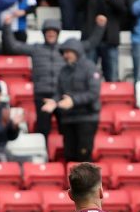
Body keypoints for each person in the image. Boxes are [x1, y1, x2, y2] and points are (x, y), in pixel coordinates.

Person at [42, 17, 107, 162]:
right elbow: (59, 91)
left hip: (86, 118)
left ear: (76, 51)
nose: (65, 56)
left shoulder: (90, 67)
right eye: (63, 53)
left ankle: (86, 185)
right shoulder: (64, 71)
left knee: (83, 156)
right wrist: (54, 101)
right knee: (70, 155)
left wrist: (73, 100)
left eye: (68, 52)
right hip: (68, 118)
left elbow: (93, 93)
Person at [2, 18, 64, 137]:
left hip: (60, 95)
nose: (51, 34)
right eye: (48, 32)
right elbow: (13, 46)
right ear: (44, 34)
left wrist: (99, 27)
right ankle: (44, 154)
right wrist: (7, 27)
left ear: (57, 33)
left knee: (65, 129)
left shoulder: (65, 49)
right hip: (42, 95)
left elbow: (88, 45)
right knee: (43, 129)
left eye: (53, 32)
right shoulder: (36, 48)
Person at [83, 0, 127, 82]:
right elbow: (77, 9)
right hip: (91, 41)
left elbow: (123, 11)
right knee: (88, 77)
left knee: (112, 77)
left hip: (110, 41)